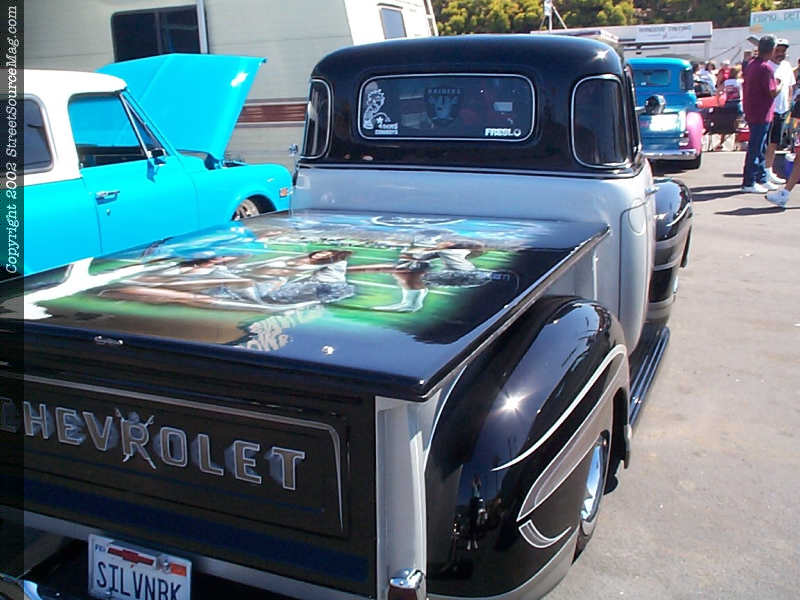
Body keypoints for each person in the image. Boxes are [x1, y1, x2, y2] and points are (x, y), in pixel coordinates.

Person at [741, 35, 780, 193]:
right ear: (772, 50)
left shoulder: (752, 64)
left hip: (754, 111)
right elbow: (772, 92)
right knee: (756, 148)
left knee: (761, 146)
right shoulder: (765, 68)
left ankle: (761, 178)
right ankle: (749, 182)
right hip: (761, 113)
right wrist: (780, 85)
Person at [764, 39, 796, 185]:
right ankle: (762, 171)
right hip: (769, 110)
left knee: (775, 142)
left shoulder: (787, 66)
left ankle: (768, 170)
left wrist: (788, 103)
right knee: (765, 143)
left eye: (783, 51)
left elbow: (790, 86)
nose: (780, 54)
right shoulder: (767, 66)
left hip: (783, 110)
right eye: (777, 51)